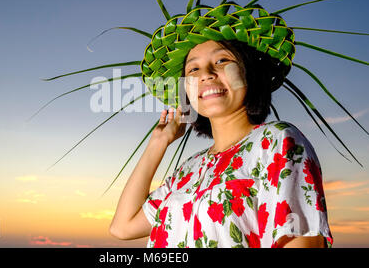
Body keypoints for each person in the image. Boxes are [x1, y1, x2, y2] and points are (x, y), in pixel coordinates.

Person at [109, 39, 333, 248]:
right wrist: (159, 142)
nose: (206, 74)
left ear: (249, 74)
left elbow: (301, 236)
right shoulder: (188, 170)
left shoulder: (276, 141)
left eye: (222, 61)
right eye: (193, 69)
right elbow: (123, 227)